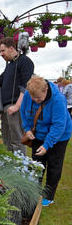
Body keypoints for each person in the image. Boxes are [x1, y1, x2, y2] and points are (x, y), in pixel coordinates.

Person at [20, 75, 72, 206]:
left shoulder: (58, 99)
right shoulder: (28, 94)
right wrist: (27, 129)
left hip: (59, 136)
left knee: (54, 165)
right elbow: (23, 112)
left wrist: (47, 145)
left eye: (38, 98)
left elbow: (59, 125)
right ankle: (34, 191)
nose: (35, 100)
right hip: (38, 133)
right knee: (36, 164)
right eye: (33, 98)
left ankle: (48, 196)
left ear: (45, 90)